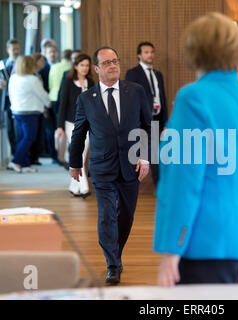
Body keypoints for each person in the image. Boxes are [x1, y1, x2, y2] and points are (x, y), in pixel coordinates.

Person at [153, 12, 238, 286]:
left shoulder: (192, 98)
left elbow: (183, 182)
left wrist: (171, 249)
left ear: (193, 50)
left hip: (200, 242)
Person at [69, 47, 151, 284]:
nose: (113, 65)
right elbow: (79, 132)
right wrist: (75, 163)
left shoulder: (135, 91)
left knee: (125, 216)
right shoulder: (86, 99)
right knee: (106, 216)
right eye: (107, 63)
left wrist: (144, 157)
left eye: (115, 61)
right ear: (97, 69)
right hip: (102, 167)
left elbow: (148, 125)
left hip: (131, 166)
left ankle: (117, 253)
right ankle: (112, 264)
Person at [125, 42, 168, 187]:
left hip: (156, 120)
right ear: (139, 55)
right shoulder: (133, 73)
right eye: (146, 52)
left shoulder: (158, 74)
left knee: (156, 157)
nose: (150, 55)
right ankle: (131, 187)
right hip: (141, 121)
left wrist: (165, 123)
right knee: (140, 156)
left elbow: (162, 98)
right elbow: (129, 99)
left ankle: (160, 189)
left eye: (151, 52)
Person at [57, 53, 95, 197]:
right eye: (82, 65)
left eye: (87, 65)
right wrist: (59, 126)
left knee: (82, 154)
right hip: (70, 123)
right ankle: (84, 186)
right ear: (75, 66)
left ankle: (74, 186)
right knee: (78, 152)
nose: (85, 68)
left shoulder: (90, 82)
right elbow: (63, 103)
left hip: (88, 123)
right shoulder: (68, 81)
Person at [7, 55, 50, 173]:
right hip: (30, 112)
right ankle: (15, 161)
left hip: (16, 111)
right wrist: (49, 103)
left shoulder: (13, 77)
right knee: (29, 138)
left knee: (22, 138)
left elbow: (10, 95)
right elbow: (42, 95)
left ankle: (25, 164)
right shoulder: (32, 79)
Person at [49, 49, 73, 166]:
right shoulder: (68, 70)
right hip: (65, 99)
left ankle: (56, 156)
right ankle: (63, 156)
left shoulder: (54, 66)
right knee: (64, 130)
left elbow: (50, 83)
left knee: (57, 128)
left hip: (53, 98)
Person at [0, 39, 21, 155]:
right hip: (6, 100)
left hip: (18, 99)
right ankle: (14, 154)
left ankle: (20, 154)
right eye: (14, 49)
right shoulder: (2, 63)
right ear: (8, 50)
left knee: (18, 128)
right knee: (9, 129)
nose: (17, 51)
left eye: (18, 49)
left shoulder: (23, 63)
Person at [29, 53, 47, 165]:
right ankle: (31, 158)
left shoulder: (38, 74)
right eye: (41, 61)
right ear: (36, 62)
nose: (43, 63)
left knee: (38, 134)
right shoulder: (32, 76)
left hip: (39, 108)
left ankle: (34, 157)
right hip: (33, 108)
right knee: (32, 135)